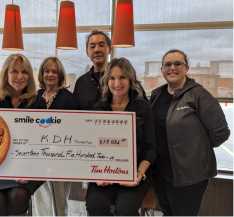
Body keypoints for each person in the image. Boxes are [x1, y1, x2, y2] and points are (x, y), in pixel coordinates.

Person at [150, 49, 230, 216]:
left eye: (178, 64)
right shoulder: (157, 95)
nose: (172, 68)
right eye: (167, 64)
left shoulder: (199, 95)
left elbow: (221, 132)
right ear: (162, 69)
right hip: (160, 173)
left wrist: (196, 150)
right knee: (167, 213)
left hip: (189, 176)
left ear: (187, 68)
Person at [0, 53, 47, 216]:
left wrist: (27, 169)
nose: (20, 76)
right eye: (14, 71)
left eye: (25, 72)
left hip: (24, 168)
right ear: (6, 74)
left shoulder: (38, 102)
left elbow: (40, 141)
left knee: (18, 198)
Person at [86, 58, 156, 216]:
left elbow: (150, 148)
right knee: (94, 207)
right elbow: (90, 145)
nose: (117, 83)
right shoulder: (98, 108)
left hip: (134, 171)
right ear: (106, 81)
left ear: (131, 80)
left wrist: (139, 174)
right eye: (112, 78)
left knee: (126, 210)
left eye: (122, 77)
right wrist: (95, 175)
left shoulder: (143, 107)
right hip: (104, 171)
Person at [34, 57, 77, 216]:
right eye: (47, 71)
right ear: (42, 73)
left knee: (58, 202)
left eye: (54, 71)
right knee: (42, 199)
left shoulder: (68, 97)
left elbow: (71, 128)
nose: (50, 74)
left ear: (60, 75)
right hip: (39, 155)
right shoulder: (37, 95)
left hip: (60, 157)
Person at [73, 30, 147, 110]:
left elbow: (143, 108)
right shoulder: (81, 83)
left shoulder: (126, 78)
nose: (97, 50)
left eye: (101, 45)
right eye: (92, 46)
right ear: (87, 52)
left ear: (110, 50)